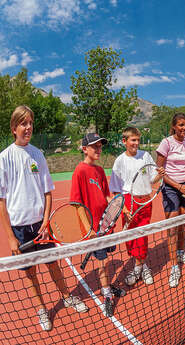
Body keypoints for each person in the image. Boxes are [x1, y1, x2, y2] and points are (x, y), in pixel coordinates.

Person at [0, 105, 88, 331]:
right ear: (14, 128)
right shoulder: (4, 158)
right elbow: (1, 201)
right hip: (20, 228)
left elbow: (48, 191)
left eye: (30, 123)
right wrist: (11, 237)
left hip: (42, 225)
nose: (28, 127)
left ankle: (67, 297)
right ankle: (42, 310)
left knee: (53, 265)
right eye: (23, 123)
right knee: (31, 273)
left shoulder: (38, 154)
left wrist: (46, 221)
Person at [70, 133, 125, 317]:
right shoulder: (79, 171)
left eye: (100, 146)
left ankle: (106, 285)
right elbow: (77, 204)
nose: (98, 149)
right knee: (102, 262)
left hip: (105, 225)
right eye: (95, 146)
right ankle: (107, 295)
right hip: (94, 229)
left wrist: (121, 209)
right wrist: (89, 230)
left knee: (107, 259)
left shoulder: (100, 171)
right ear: (84, 149)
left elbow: (107, 196)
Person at [109, 127, 164, 286]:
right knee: (131, 237)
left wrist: (159, 175)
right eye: (133, 140)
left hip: (145, 201)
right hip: (128, 201)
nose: (136, 143)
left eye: (138, 140)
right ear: (124, 141)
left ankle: (138, 268)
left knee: (142, 234)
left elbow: (152, 179)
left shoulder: (145, 156)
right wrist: (124, 209)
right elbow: (115, 189)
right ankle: (142, 266)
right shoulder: (120, 160)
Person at [156, 113, 185, 288]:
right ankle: (174, 267)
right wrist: (178, 187)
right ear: (174, 126)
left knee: (183, 224)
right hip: (170, 188)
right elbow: (160, 171)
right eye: (180, 125)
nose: (184, 128)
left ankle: (180, 252)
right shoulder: (166, 143)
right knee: (172, 227)